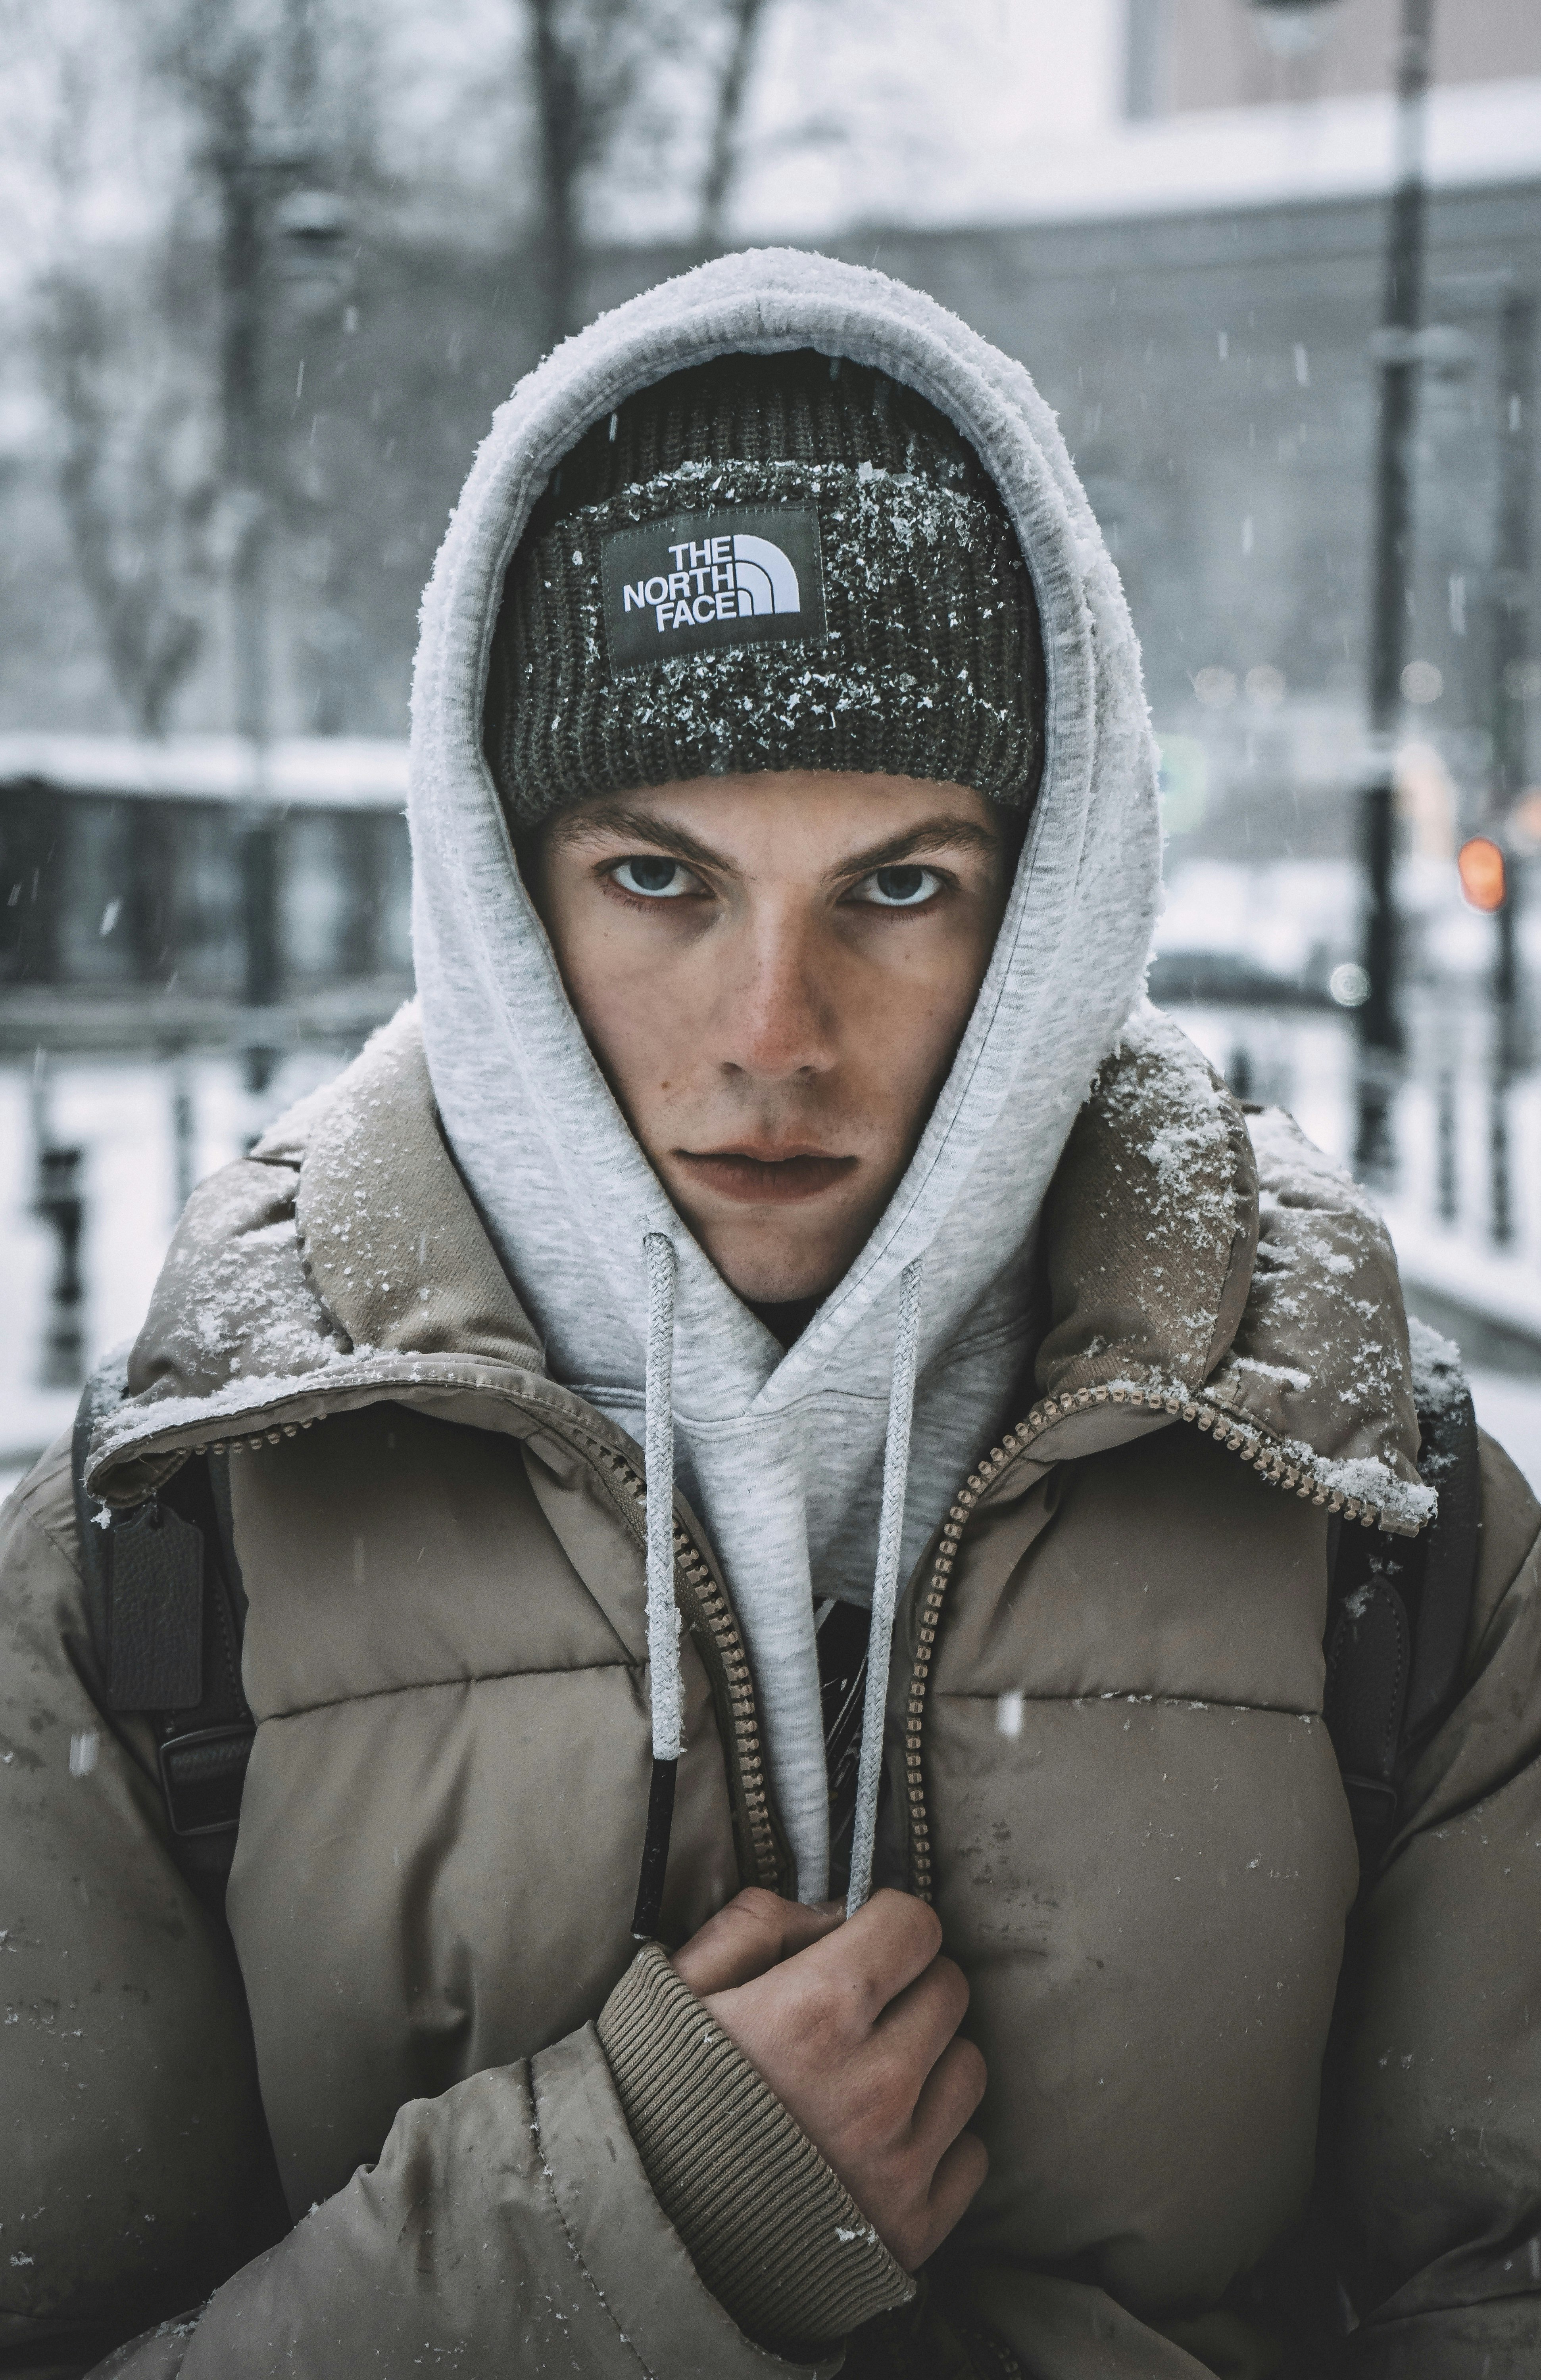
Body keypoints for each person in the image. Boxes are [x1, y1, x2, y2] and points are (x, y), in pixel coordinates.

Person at [2, 248, 1538, 2380]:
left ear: (1051, 892)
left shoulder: (1385, 1519)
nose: (771, 1036)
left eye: (899, 887)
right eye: (659, 881)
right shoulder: (162, 1537)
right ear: (504, 883)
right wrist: (627, 2225)